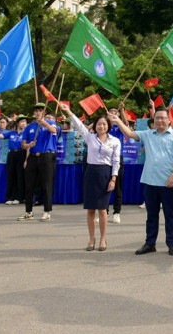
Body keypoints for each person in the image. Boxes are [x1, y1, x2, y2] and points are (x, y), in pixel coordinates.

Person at [112, 106, 173, 255]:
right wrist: (118, 120)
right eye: (157, 118)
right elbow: (129, 133)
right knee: (151, 216)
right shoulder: (147, 134)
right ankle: (150, 243)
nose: (159, 120)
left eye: (162, 118)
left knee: (170, 215)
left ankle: (172, 244)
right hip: (150, 181)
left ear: (168, 119)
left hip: (168, 182)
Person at [59, 103, 121, 250]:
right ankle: (91, 239)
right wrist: (68, 111)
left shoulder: (115, 141)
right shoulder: (90, 137)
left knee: (103, 209)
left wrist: (113, 178)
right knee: (91, 209)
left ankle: (103, 239)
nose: (101, 127)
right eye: (99, 124)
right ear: (95, 126)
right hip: (91, 174)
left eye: (104, 124)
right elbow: (79, 125)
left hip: (105, 174)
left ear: (108, 126)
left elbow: (116, 161)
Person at [17, 103, 59, 222]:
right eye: (36, 111)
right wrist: (29, 145)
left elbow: (54, 131)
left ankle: (47, 211)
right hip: (33, 157)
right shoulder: (29, 127)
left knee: (46, 184)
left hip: (46, 156)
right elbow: (23, 145)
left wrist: (44, 123)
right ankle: (28, 212)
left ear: (44, 112)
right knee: (29, 185)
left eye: (40, 110)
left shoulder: (50, 123)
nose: (38, 113)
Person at [3, 116, 26, 205]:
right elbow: (0, 135)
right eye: (21, 121)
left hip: (21, 154)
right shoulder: (11, 133)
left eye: (25, 122)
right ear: (17, 123)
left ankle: (19, 197)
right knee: (11, 175)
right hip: (12, 154)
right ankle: (10, 197)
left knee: (20, 176)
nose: (23, 123)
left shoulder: (26, 133)